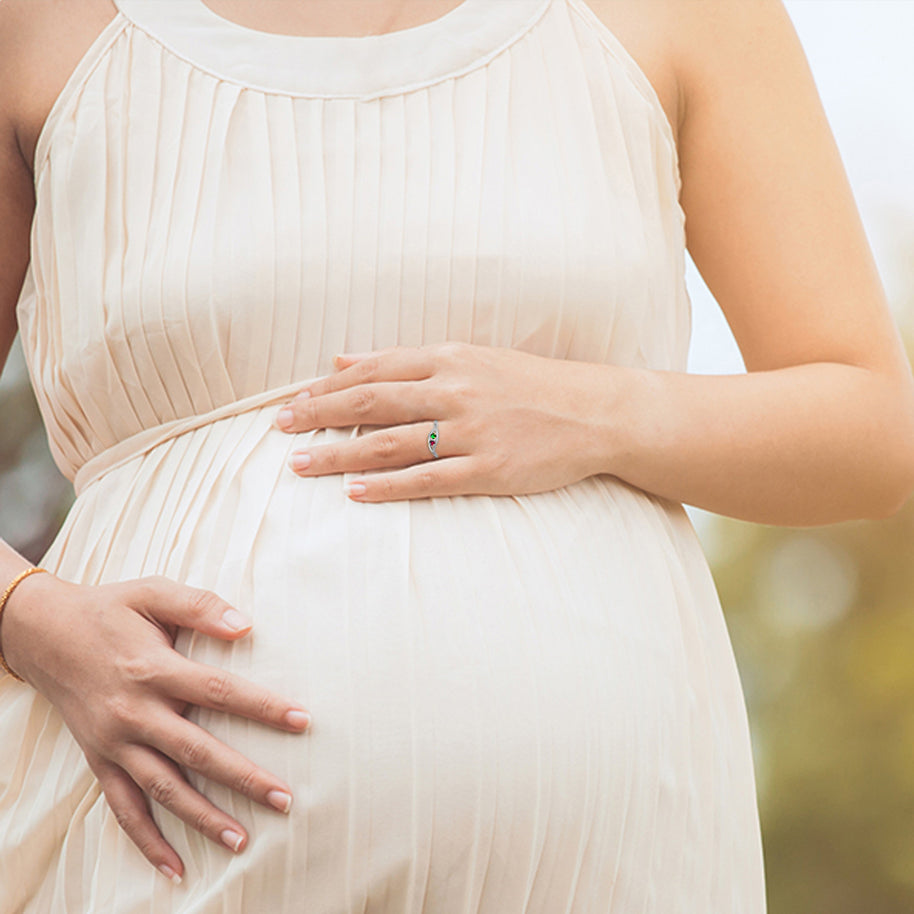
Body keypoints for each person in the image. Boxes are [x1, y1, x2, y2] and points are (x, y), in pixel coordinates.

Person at [1, 0, 912, 910]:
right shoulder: (40, 28)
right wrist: (32, 620)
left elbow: (873, 431)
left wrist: (596, 411)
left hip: (613, 857)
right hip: (168, 839)